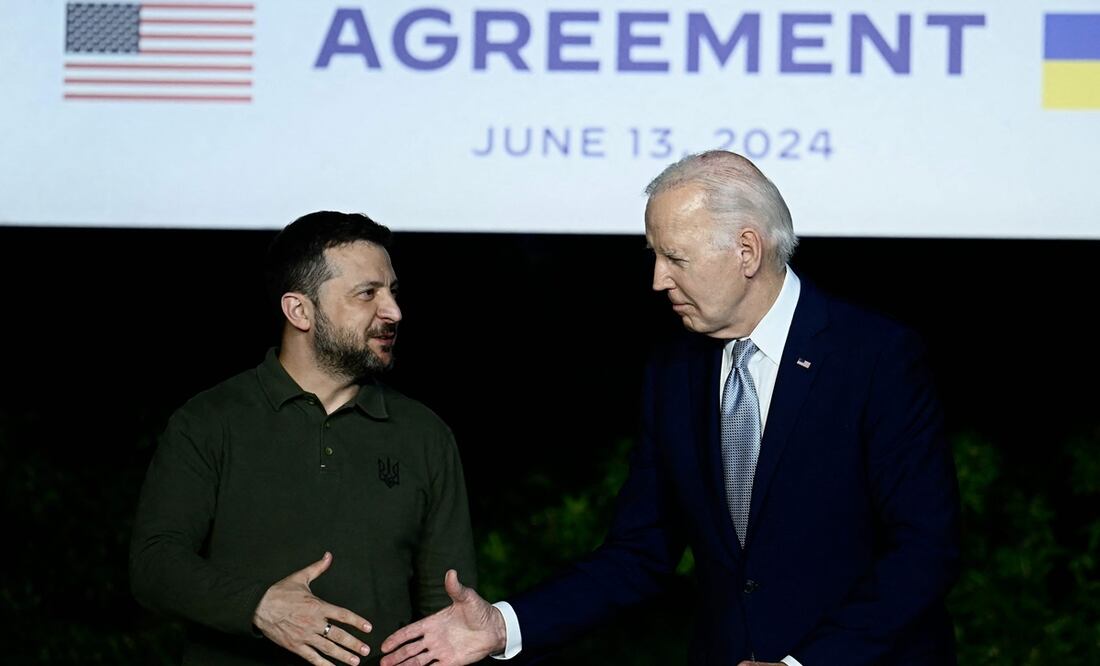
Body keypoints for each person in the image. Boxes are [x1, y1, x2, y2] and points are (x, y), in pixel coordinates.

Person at [379, 151, 960, 665]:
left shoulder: (877, 358)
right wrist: (504, 624)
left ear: (748, 251)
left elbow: (924, 551)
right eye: (653, 256)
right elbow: (641, 551)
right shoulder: (674, 370)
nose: (657, 280)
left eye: (675, 258)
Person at [130, 211, 477, 666]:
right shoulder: (211, 420)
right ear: (299, 310)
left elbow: (446, 610)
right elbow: (154, 568)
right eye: (367, 293)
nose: (393, 311)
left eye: (392, 291)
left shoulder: (424, 434)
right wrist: (261, 606)